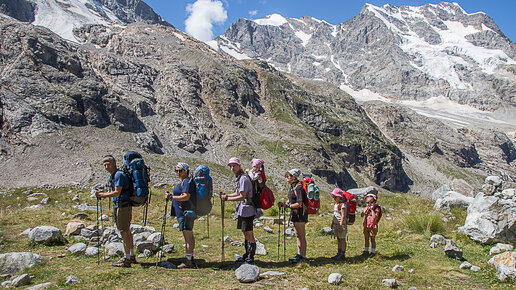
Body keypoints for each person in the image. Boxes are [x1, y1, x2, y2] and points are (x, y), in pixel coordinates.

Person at [96, 155, 136, 267]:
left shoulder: (118, 175)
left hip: (122, 206)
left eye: (108, 164)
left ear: (114, 163)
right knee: (127, 231)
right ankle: (131, 255)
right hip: (124, 205)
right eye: (104, 165)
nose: (106, 167)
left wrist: (102, 195)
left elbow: (117, 192)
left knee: (124, 232)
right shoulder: (117, 174)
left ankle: (127, 258)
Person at [220, 157, 257, 264]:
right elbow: (237, 192)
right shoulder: (240, 177)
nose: (232, 168)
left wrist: (227, 198)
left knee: (248, 233)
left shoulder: (243, 179)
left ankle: (250, 257)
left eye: (234, 165)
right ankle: (247, 255)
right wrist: (227, 195)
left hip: (247, 210)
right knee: (245, 232)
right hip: (243, 209)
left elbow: (242, 196)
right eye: (230, 166)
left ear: (239, 166)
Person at [165, 162, 196, 268]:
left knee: (187, 236)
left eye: (181, 170)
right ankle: (190, 256)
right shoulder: (186, 181)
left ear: (186, 171)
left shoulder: (186, 182)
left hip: (184, 212)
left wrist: (171, 197)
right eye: (176, 170)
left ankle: (188, 260)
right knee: (189, 235)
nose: (178, 172)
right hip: (185, 212)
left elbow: (186, 196)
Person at [279, 169, 308, 263]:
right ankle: (299, 254)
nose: (286, 178)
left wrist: (287, 206)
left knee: (301, 235)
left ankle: (302, 256)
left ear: (294, 177)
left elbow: (299, 203)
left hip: (300, 214)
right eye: (286, 176)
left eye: (288, 176)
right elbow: (291, 200)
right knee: (298, 234)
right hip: (295, 213)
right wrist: (285, 203)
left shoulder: (299, 188)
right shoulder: (293, 187)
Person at [330, 188, 347, 260]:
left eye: (335, 197)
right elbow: (335, 215)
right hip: (336, 224)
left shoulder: (342, 205)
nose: (334, 198)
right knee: (338, 238)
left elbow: (343, 216)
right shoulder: (336, 204)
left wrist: (341, 225)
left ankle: (342, 254)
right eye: (333, 196)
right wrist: (332, 223)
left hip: (341, 224)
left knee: (342, 238)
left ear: (339, 197)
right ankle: (339, 252)